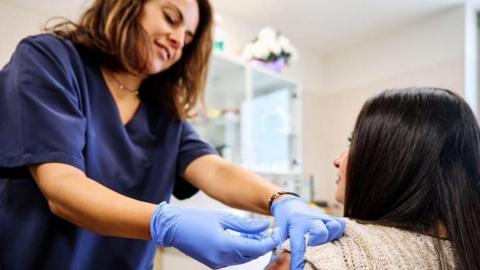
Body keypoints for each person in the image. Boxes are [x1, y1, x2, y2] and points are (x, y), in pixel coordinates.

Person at [0, 0, 345, 269]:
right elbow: (61, 187)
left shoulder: (164, 116)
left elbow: (214, 169)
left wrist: (281, 199)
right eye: (170, 17)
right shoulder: (51, 60)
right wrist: (163, 223)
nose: (179, 39)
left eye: (188, 37)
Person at [266, 87, 480, 270]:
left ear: (393, 160)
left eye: (353, 142)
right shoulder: (468, 253)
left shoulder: (314, 254)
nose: (337, 160)